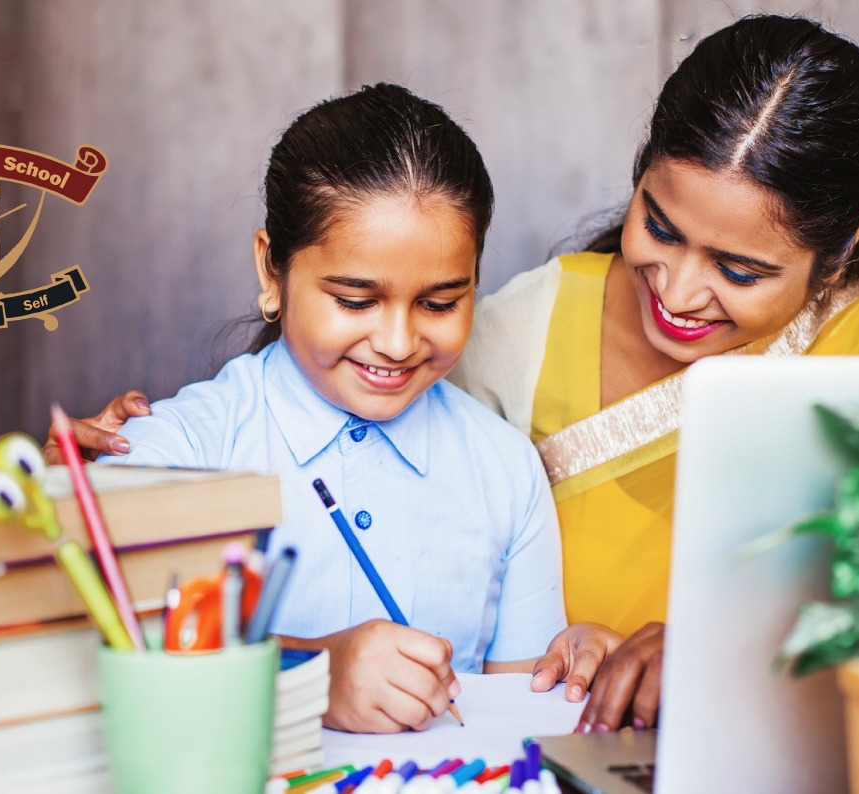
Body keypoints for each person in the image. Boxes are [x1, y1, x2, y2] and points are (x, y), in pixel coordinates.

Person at [53, 15, 859, 737]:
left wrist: (711, 655)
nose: (680, 292)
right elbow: (92, 598)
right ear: (639, 173)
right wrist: (107, 487)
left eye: (740, 270)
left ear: (842, 248)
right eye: (661, 227)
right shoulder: (518, 327)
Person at [93, 83, 566, 735]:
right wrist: (308, 674)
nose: (398, 343)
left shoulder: (506, 470)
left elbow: (522, 726)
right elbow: (97, 666)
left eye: (438, 303)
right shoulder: (175, 452)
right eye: (354, 300)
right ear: (271, 271)